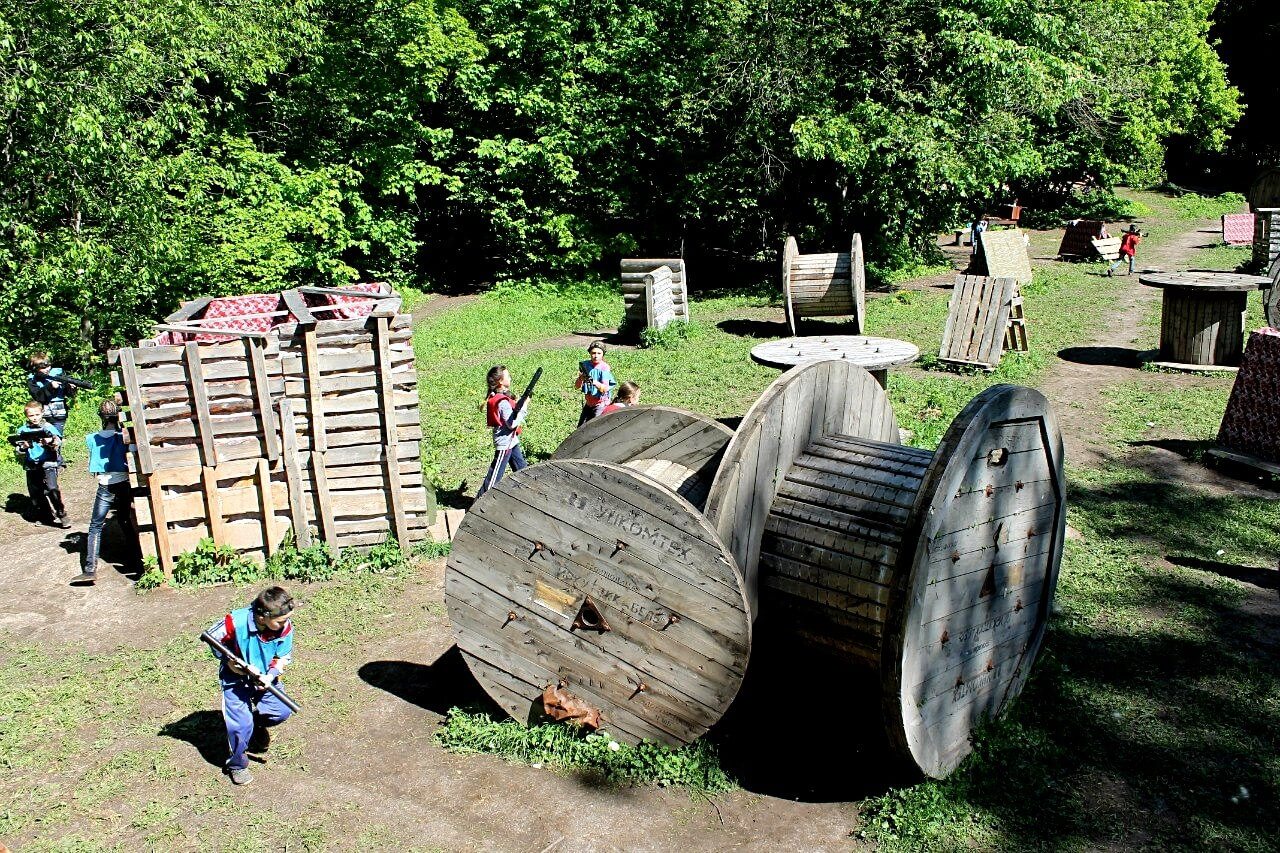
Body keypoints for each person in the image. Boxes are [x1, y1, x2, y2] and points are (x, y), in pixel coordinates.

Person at [205, 587, 296, 786]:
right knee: (240, 725)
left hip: (265, 678)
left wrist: (270, 676)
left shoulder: (284, 627)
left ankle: (254, 726)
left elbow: (283, 656)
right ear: (262, 617)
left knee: (280, 711)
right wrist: (228, 661)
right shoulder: (234, 622)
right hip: (235, 679)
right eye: (280, 620)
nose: (285, 624)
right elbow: (211, 636)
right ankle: (237, 764)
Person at [74, 400, 140, 585]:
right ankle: (138, 561)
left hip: (105, 485)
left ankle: (90, 569)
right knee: (126, 521)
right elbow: (132, 450)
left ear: (101, 417)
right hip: (123, 482)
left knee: (95, 526)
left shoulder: (92, 438)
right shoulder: (123, 436)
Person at [13, 400, 69, 528]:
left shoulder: (48, 427)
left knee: (52, 489)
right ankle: (46, 515)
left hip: (48, 463)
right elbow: (18, 449)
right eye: (31, 415)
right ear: (26, 416)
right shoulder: (22, 430)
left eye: (37, 415)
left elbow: (58, 442)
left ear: (42, 413)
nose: (35, 418)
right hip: (32, 465)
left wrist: (50, 441)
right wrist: (23, 447)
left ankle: (61, 513)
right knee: (37, 493)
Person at [475, 365, 529, 499]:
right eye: (508, 376)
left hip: (511, 441)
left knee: (522, 469)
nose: (510, 378)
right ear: (500, 381)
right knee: (494, 478)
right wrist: (524, 407)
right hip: (505, 443)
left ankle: (530, 492)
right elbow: (511, 424)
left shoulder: (499, 396)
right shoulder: (502, 401)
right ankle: (480, 501)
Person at [27, 352, 77, 436]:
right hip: (41, 415)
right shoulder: (33, 379)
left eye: (48, 366)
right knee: (42, 438)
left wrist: (71, 388)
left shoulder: (58, 373)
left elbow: (67, 393)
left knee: (56, 439)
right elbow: (38, 397)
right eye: (43, 367)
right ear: (36, 368)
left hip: (59, 415)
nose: (47, 369)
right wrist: (51, 386)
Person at [574, 341, 616, 425]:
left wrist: (594, 382)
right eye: (593, 353)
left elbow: (604, 389)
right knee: (580, 427)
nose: (596, 356)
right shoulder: (585, 365)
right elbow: (576, 386)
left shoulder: (604, 368)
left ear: (603, 354)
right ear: (589, 353)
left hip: (600, 404)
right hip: (588, 403)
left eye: (599, 353)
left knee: (594, 428)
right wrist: (581, 378)